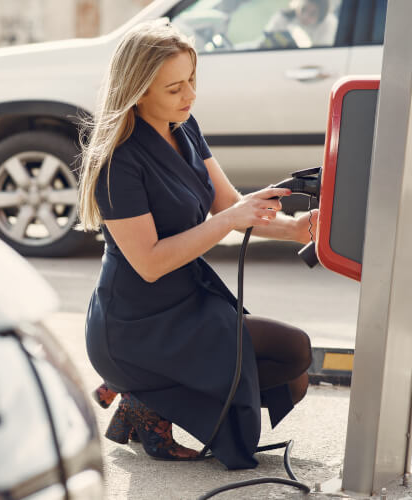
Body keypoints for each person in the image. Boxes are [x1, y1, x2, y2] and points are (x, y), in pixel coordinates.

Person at [78, 21, 317, 469]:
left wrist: (297, 228)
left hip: (187, 299)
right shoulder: (118, 160)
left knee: (295, 369)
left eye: (192, 80)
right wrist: (231, 219)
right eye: (174, 88)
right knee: (292, 354)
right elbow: (149, 263)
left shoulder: (184, 126)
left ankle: (143, 393)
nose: (189, 95)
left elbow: (228, 204)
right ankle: (141, 385)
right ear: (138, 91)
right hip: (135, 323)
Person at [263, 0, 337, 48]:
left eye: (313, 13)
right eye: (303, 9)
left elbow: (322, 52)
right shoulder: (283, 17)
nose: (305, 17)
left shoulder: (329, 23)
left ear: (322, 15)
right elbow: (267, 37)